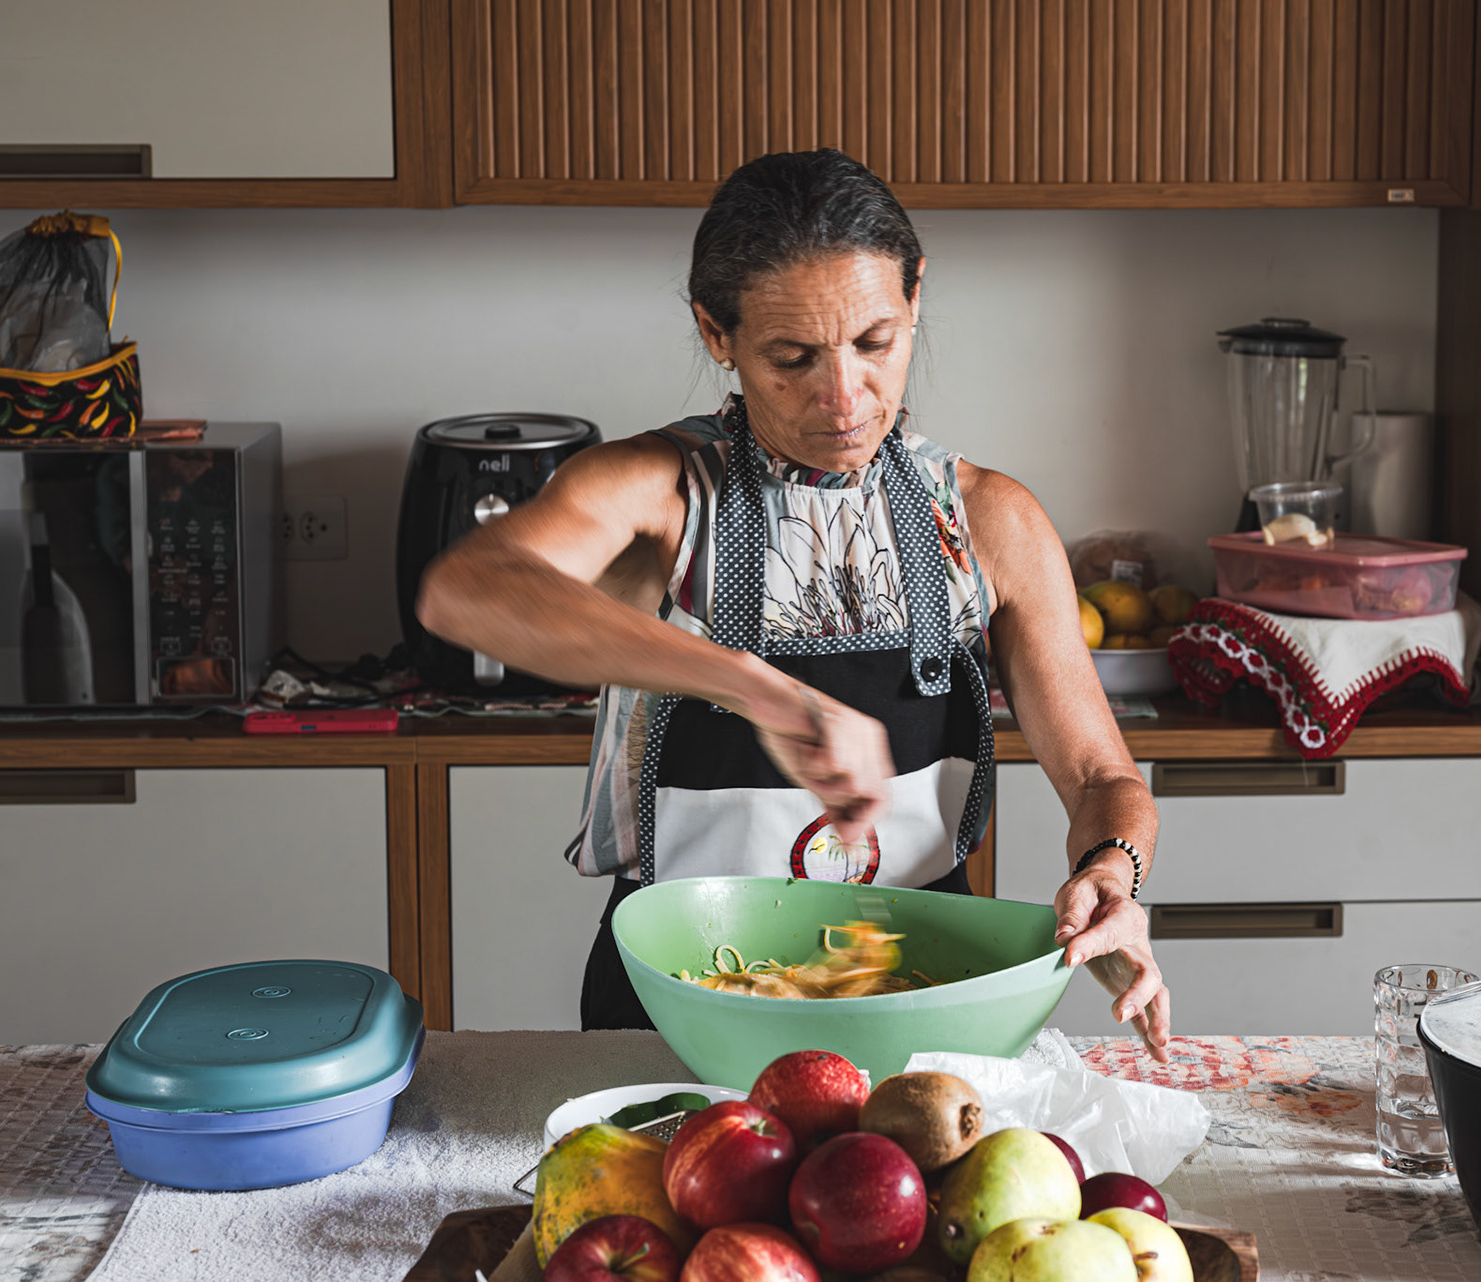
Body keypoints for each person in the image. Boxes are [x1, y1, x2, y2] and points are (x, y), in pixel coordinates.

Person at [417, 148, 1170, 1060]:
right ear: (715, 332)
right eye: (792, 358)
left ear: (916, 295)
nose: (844, 398)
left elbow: (1102, 779)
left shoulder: (988, 521)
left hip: (918, 1000)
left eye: (875, 344)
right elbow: (467, 591)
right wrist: (756, 688)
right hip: (688, 1005)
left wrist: (1111, 875)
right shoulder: (660, 491)